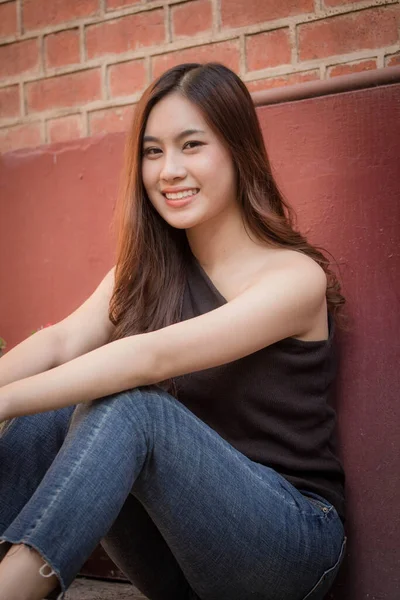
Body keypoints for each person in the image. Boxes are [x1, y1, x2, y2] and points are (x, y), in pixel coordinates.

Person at [0, 63, 346, 600]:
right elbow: (60, 342)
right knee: (56, 401)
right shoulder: (146, 274)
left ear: (237, 150)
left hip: (289, 546)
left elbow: (151, 358)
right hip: (179, 560)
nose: (169, 171)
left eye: (191, 145)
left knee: (129, 403)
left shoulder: (294, 279)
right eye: (153, 151)